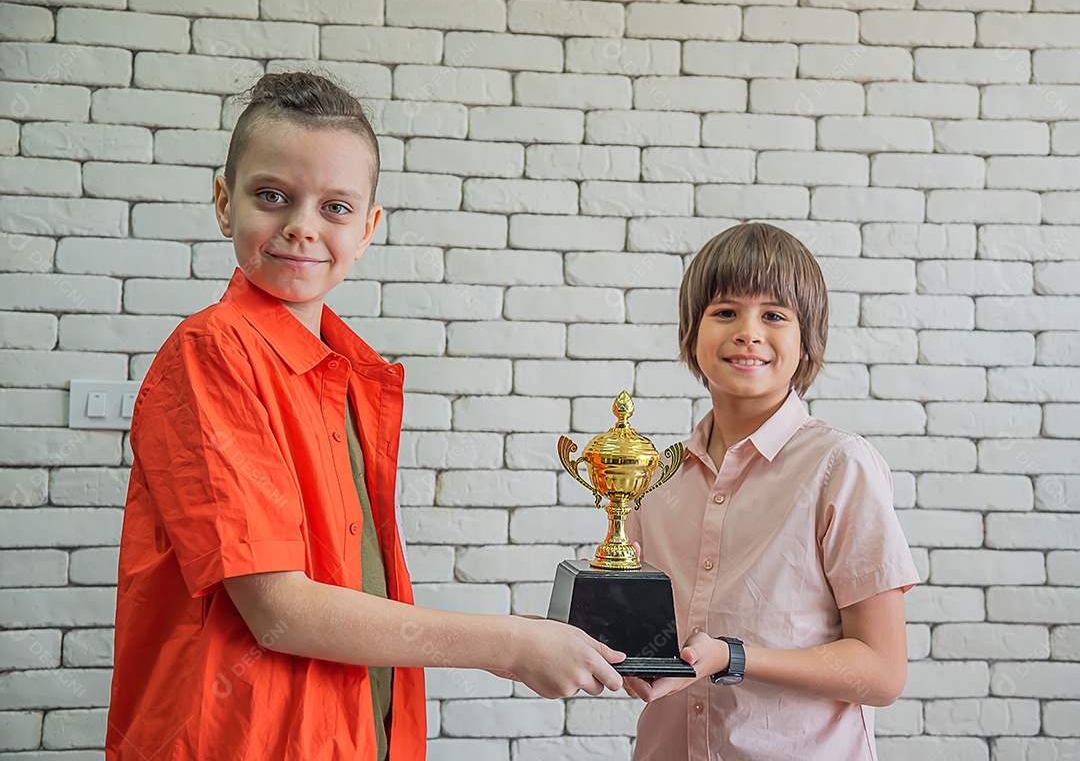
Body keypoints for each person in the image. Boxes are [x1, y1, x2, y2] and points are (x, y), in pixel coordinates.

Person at [105, 72, 625, 761]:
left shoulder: (351, 373)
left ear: (370, 227)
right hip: (241, 741)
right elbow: (280, 610)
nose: (301, 226)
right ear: (224, 205)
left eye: (336, 207)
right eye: (272, 197)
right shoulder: (212, 352)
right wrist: (510, 643)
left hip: (355, 730)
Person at [624, 223, 919, 760]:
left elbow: (882, 672)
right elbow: (647, 639)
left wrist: (734, 657)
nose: (748, 332)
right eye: (725, 312)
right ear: (691, 333)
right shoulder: (654, 475)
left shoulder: (840, 466)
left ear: (807, 344)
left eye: (774, 315)